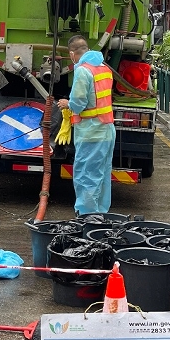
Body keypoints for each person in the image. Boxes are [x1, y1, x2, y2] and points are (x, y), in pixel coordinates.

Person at [57, 35, 116, 216]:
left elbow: (79, 103)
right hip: (106, 130)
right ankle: (100, 213)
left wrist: (67, 104)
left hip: (91, 132)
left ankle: (87, 216)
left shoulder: (83, 71)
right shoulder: (104, 67)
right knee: (102, 174)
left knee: (86, 175)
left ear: (72, 54)